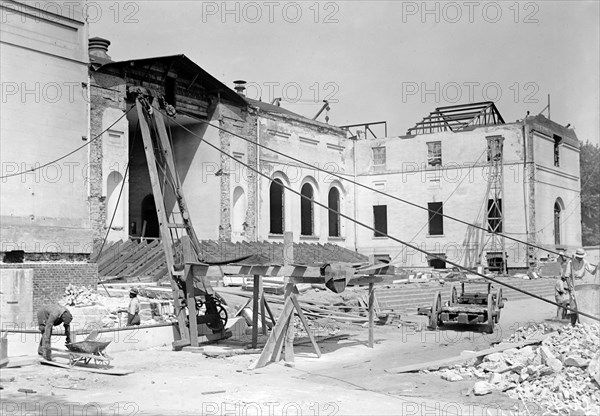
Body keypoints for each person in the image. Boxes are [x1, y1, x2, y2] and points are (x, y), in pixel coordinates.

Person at [563, 248, 599, 324]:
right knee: (573, 305)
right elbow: (566, 276)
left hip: (582, 283)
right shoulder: (570, 263)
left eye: (581, 257)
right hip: (574, 283)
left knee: (583, 303)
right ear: (576, 256)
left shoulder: (584, 262)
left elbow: (592, 272)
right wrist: (570, 287)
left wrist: (597, 267)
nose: (580, 258)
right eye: (579, 257)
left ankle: (583, 322)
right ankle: (573, 323)